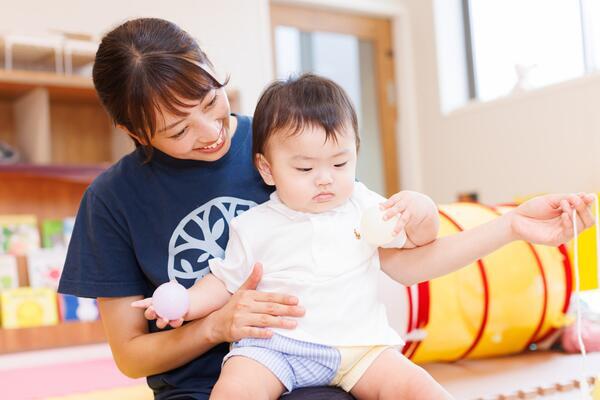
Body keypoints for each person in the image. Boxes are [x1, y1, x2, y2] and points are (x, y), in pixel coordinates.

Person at [134, 74, 597, 400]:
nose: (325, 179)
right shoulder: (253, 225)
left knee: (423, 390)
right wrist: (181, 303)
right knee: (233, 390)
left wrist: (420, 212)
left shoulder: (362, 203)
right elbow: (222, 281)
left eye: (339, 163)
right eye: (304, 168)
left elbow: (420, 248)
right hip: (275, 350)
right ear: (266, 169)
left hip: (362, 349)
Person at [57, 18, 436, 400]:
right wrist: (216, 327)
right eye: (179, 130)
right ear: (135, 133)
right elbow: (131, 356)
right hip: (197, 387)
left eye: (210, 100)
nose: (209, 132)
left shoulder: (283, 144)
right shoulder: (110, 200)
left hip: (317, 366)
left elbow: (375, 239)